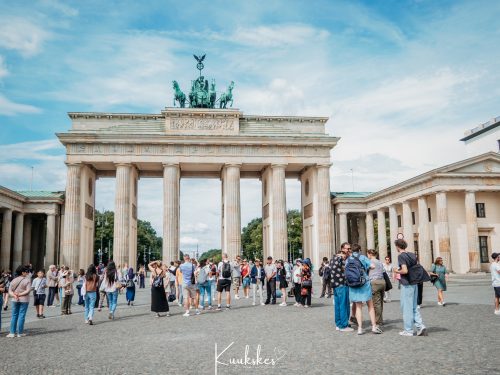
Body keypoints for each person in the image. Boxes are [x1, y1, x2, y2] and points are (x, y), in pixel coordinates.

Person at [346, 244, 382, 335]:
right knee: (370, 305)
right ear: (360, 250)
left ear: (352, 251)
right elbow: (372, 266)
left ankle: (360, 328)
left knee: (358, 306)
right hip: (364, 283)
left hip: (353, 284)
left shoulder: (348, 259)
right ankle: (374, 326)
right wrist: (367, 267)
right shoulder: (363, 257)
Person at [394, 239, 427, 337]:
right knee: (414, 306)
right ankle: (420, 326)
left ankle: (408, 330)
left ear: (397, 246)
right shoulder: (412, 254)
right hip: (414, 282)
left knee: (406, 307)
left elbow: (405, 270)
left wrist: (396, 271)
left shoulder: (401, 256)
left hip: (407, 283)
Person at [331, 243, 353, 332]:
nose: (349, 250)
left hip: (335, 284)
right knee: (344, 304)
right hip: (342, 284)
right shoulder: (342, 258)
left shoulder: (334, 258)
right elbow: (346, 270)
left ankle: (338, 324)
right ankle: (344, 325)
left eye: (349, 248)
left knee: (338, 305)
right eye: (347, 249)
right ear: (342, 249)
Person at [6, 266, 31, 338]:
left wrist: (14, 295)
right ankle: (20, 332)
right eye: (25, 271)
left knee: (14, 316)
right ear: (22, 272)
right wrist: (20, 294)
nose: (26, 273)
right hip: (24, 300)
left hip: (15, 299)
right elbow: (28, 290)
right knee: (21, 316)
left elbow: (10, 291)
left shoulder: (13, 280)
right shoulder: (27, 280)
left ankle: (12, 332)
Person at [367, 249, 386, 326]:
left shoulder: (370, 262)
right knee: (380, 302)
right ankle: (380, 319)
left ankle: (378, 321)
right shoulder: (380, 262)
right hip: (382, 282)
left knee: (376, 303)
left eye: (367, 254)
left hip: (375, 282)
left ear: (370, 254)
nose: (367, 256)